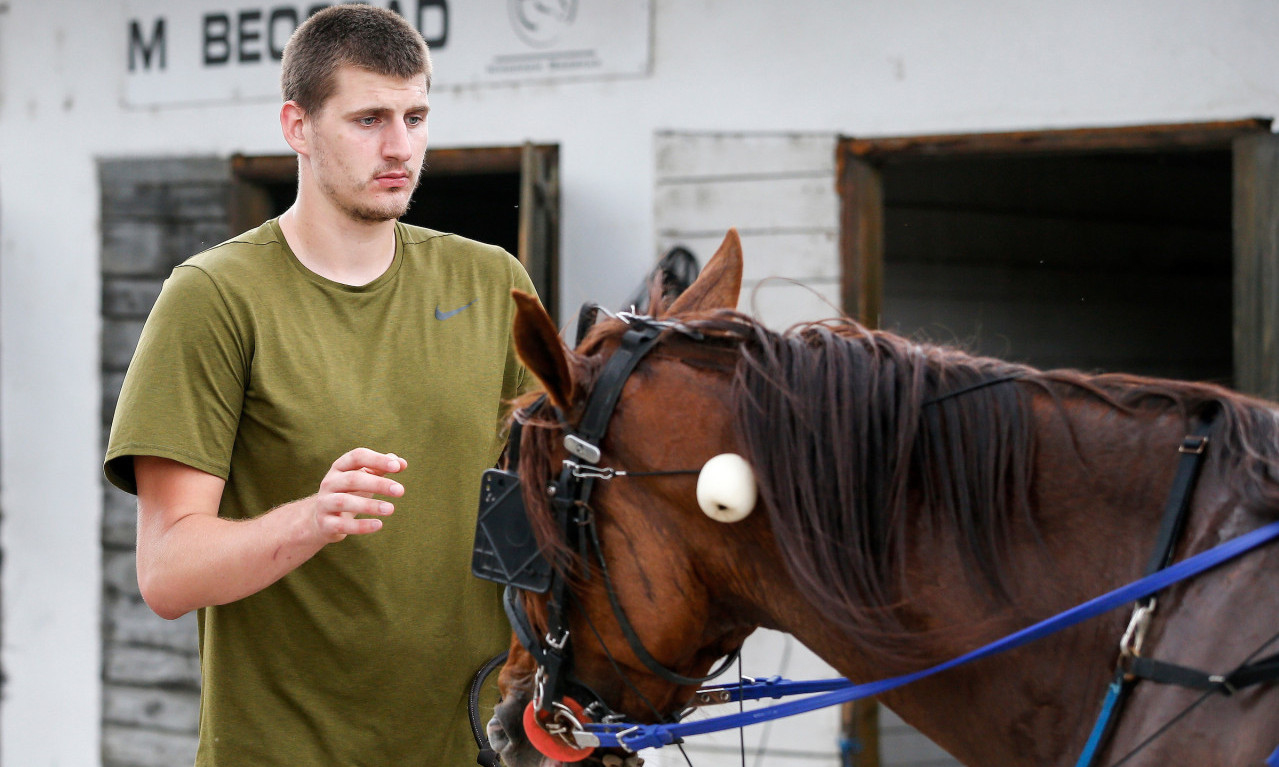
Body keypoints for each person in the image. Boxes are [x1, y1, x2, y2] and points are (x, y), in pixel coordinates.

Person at [104, 5, 535, 764]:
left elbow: (543, 517)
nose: (400, 145)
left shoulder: (492, 279)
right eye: (368, 118)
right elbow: (167, 571)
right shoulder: (213, 295)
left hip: (468, 746)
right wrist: (313, 517)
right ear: (296, 126)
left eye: (415, 115)